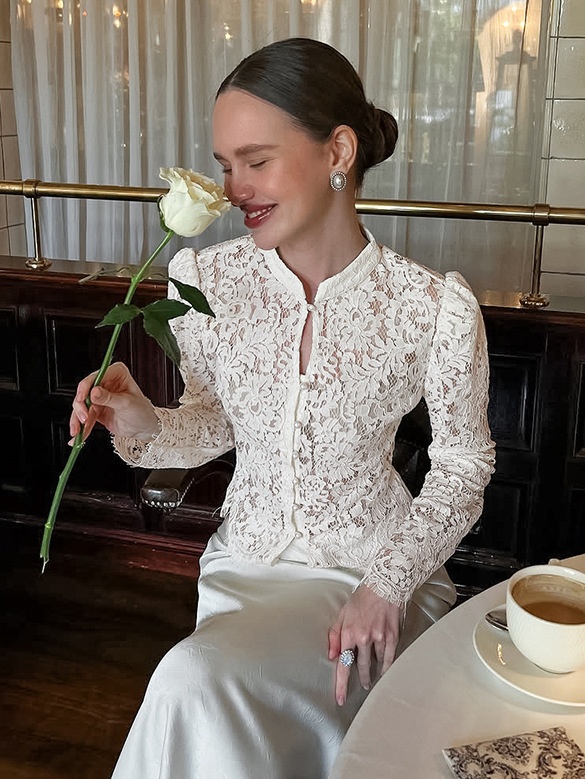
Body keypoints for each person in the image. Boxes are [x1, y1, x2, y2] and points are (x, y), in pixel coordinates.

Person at [71, 37, 495, 779]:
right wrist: (141, 423)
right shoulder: (205, 280)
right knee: (198, 682)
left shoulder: (432, 306)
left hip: (372, 577)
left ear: (338, 151)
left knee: (190, 681)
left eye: (256, 161)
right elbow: (212, 422)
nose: (234, 189)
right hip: (243, 571)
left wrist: (387, 584)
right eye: (224, 165)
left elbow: (464, 466)